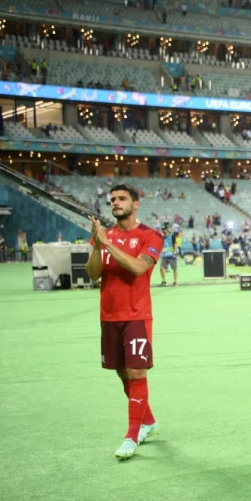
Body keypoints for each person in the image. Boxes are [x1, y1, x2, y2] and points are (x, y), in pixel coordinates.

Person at [84, 184, 164, 460]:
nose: (115, 203)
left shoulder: (150, 236)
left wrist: (107, 244)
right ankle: (148, 422)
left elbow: (139, 267)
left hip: (136, 316)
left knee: (137, 373)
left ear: (135, 204)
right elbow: (93, 273)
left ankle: (132, 435)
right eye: (113, 200)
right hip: (109, 316)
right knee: (122, 373)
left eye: (122, 199)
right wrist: (98, 245)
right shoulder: (104, 236)